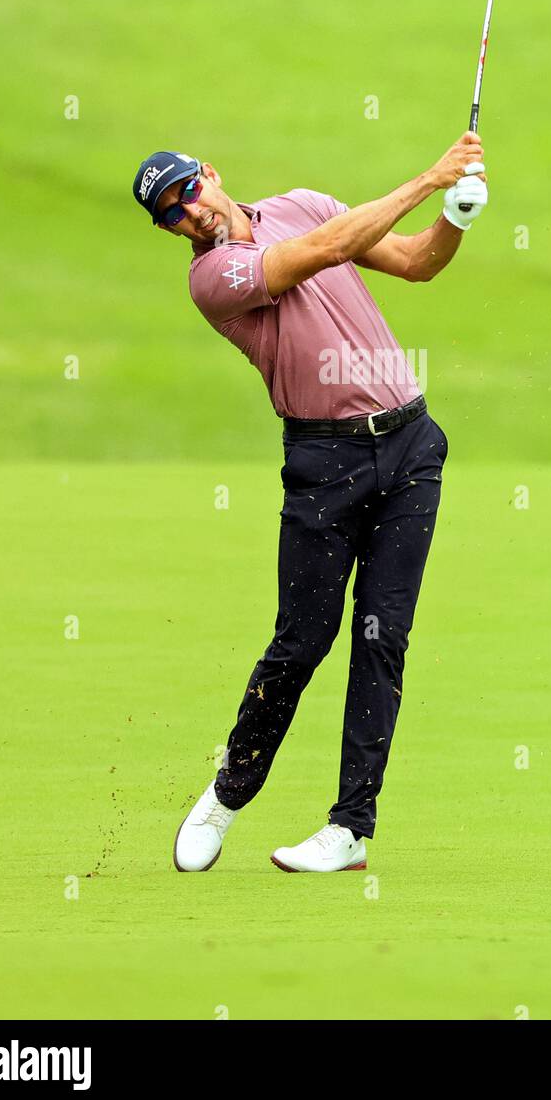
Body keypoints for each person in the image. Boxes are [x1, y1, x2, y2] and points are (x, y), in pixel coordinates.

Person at [132, 134, 488, 871]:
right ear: (168, 231)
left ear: (211, 174)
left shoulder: (302, 205)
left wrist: (456, 213)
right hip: (326, 464)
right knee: (303, 641)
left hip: (413, 446)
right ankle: (228, 795)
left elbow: (417, 263)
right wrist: (430, 174)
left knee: (380, 638)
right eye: (170, 216)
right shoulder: (215, 278)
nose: (189, 215)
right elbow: (323, 253)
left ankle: (350, 829)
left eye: (187, 192)